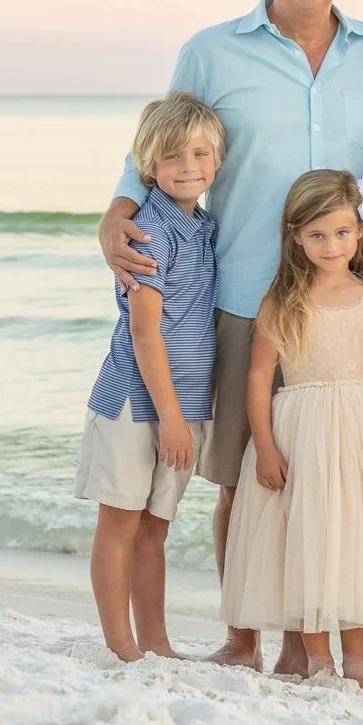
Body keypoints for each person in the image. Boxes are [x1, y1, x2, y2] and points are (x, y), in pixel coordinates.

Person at [97, 0, 363, 673]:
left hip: (345, 303)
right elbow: (158, 147)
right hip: (241, 296)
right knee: (247, 476)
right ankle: (244, 639)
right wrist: (116, 211)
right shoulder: (212, 51)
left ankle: (323, 643)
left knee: (331, 477)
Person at [218, 169, 363, 685]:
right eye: (316, 234)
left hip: (361, 430)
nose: (330, 245)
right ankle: (319, 662)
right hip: (301, 431)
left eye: (340, 232)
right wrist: (264, 446)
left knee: (357, 543)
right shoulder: (282, 300)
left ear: (359, 231)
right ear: (296, 236)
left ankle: (356, 665)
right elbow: (259, 374)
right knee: (308, 540)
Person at [74, 92, 225, 662]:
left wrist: (184, 416)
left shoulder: (205, 229)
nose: (188, 168)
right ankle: (120, 646)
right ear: (147, 167)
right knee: (120, 522)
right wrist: (171, 420)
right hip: (136, 405)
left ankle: (155, 643)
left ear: (217, 161)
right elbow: (145, 333)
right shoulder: (148, 233)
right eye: (172, 159)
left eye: (199, 154)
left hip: (182, 406)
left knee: (155, 529)